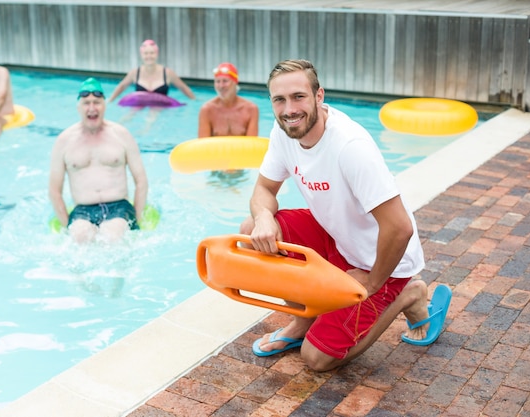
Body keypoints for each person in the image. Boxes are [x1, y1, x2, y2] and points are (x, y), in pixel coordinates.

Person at [242, 59, 446, 372]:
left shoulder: (351, 147)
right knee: (252, 230)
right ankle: (302, 322)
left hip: (380, 260)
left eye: (299, 97)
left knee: (318, 359)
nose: (289, 109)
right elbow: (263, 191)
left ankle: (407, 294)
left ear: (318, 96)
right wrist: (265, 217)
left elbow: (400, 228)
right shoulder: (284, 130)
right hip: (336, 237)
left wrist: (375, 281)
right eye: (279, 100)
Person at [49, 77, 148, 244]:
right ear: (78, 107)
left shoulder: (121, 135)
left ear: (104, 105)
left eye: (97, 102)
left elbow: (141, 180)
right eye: (86, 103)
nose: (92, 108)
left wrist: (136, 221)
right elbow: (54, 190)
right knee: (81, 237)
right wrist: (67, 226)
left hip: (119, 207)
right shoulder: (64, 141)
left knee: (111, 237)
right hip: (82, 210)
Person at [107, 39, 196, 103]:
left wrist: (195, 100)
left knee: (152, 118)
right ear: (141, 55)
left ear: (157, 54)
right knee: (128, 116)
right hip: (139, 105)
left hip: (161, 107)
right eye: (146, 53)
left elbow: (183, 88)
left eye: (152, 53)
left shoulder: (167, 73)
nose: (149, 56)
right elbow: (121, 86)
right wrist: (110, 100)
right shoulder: (135, 73)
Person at [198, 62, 259, 138]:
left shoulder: (251, 109)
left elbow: (252, 144)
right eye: (218, 81)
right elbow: (203, 145)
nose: (221, 86)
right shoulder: (207, 110)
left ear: (235, 82)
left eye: (225, 81)